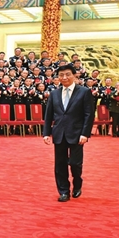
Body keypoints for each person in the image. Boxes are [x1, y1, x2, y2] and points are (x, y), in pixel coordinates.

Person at [43, 63, 94, 202]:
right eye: (61, 75)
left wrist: (85, 134)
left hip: (77, 134)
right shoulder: (54, 93)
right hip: (59, 133)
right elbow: (49, 115)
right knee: (60, 164)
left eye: (67, 74)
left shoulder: (84, 92)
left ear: (74, 75)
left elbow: (88, 115)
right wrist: (46, 133)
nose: (64, 77)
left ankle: (77, 184)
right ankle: (64, 191)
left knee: (75, 163)